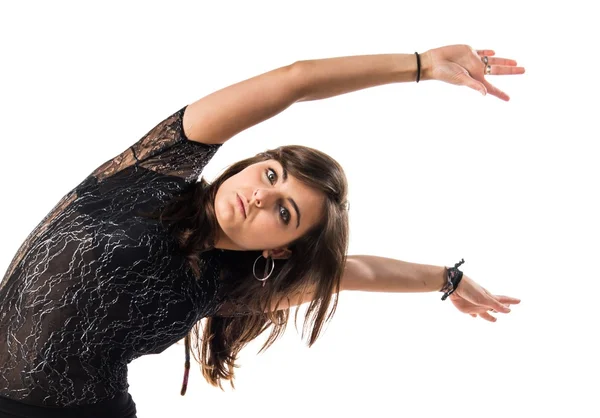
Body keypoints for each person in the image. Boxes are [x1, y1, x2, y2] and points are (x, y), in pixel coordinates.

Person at [0, 44, 523, 417]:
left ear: (279, 247)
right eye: (272, 174)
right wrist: (421, 65)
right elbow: (294, 80)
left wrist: (444, 279)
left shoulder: (224, 284)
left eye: (285, 211)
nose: (260, 194)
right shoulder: (155, 169)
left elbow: (352, 270)